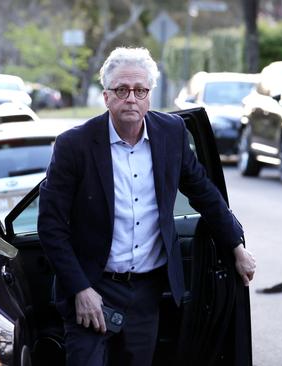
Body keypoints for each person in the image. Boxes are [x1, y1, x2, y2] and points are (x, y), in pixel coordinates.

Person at [37, 47, 255, 366]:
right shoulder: (75, 145)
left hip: (146, 294)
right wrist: (80, 289)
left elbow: (203, 192)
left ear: (149, 95)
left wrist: (235, 245)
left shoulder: (171, 133)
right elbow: (51, 226)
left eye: (140, 90)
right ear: (107, 96)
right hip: (92, 288)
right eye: (122, 90)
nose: (131, 98)